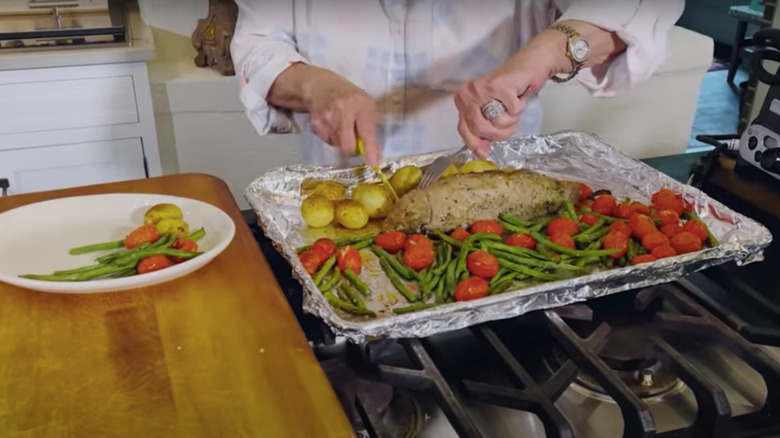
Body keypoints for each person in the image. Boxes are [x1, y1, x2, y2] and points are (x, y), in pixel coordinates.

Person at [231, 0, 684, 167]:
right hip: (341, 184)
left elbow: (631, 10)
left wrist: (546, 52)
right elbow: (257, 41)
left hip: (493, 185)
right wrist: (315, 87)